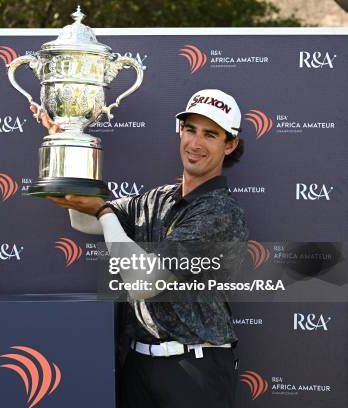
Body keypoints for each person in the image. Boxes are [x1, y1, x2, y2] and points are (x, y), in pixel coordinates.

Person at [34, 89, 248, 408]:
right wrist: (70, 149)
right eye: (190, 129)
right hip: (139, 365)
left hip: (195, 371)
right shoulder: (156, 199)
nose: (195, 143)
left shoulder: (221, 212)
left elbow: (144, 284)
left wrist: (104, 211)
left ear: (229, 145)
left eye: (210, 134)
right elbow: (84, 221)